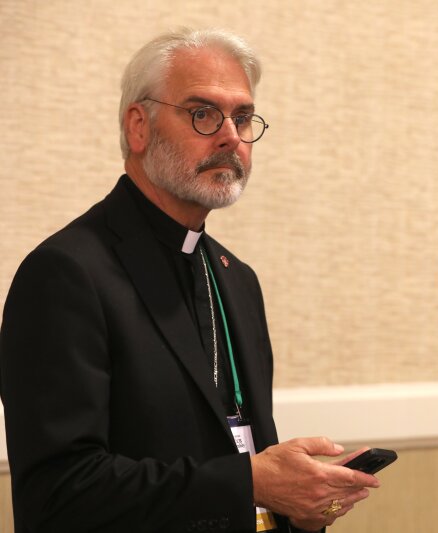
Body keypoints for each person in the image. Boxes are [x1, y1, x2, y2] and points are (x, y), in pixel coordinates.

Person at [0, 28, 379, 533]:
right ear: (139, 126)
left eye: (242, 118)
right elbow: (58, 494)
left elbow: (242, 458)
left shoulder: (238, 279)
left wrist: (297, 507)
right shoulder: (66, 274)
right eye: (203, 114)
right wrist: (249, 482)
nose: (230, 136)